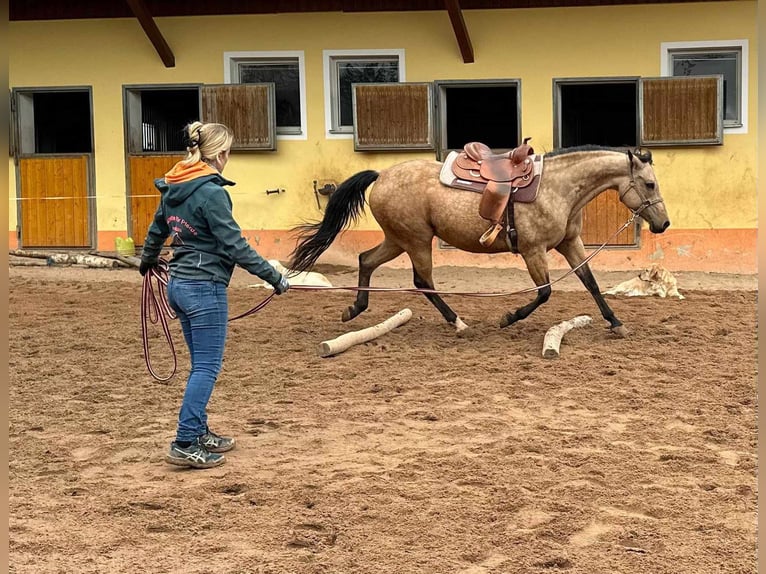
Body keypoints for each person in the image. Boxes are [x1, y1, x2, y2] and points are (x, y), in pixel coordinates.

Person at [139, 121, 290, 469]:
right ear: (220, 154)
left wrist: (147, 262)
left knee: (200, 366)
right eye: (229, 152)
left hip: (179, 285)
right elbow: (235, 245)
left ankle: (199, 430)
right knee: (207, 367)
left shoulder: (174, 186)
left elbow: (157, 230)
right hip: (204, 288)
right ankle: (185, 440)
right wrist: (274, 277)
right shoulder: (212, 193)